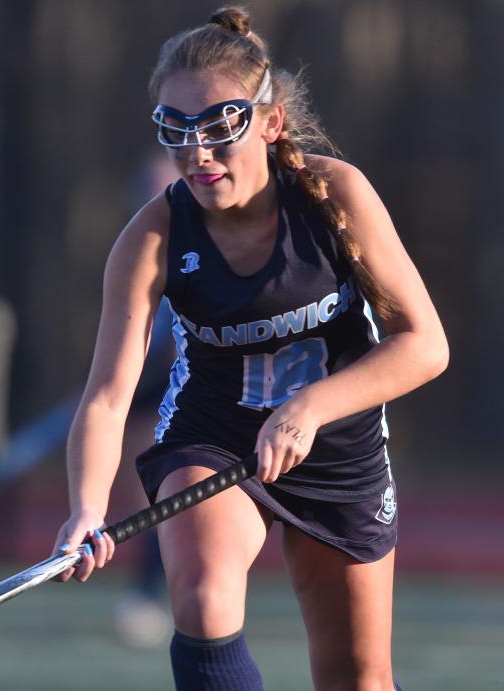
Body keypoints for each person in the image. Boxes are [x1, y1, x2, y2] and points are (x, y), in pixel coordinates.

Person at [54, 7, 447, 690]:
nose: (195, 152)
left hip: (337, 443)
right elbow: (107, 396)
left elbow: (424, 344)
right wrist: (86, 505)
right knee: (204, 597)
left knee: (357, 675)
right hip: (215, 435)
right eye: (175, 130)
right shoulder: (149, 238)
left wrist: (310, 409)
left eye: (218, 127)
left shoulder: (336, 195)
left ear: (268, 125)